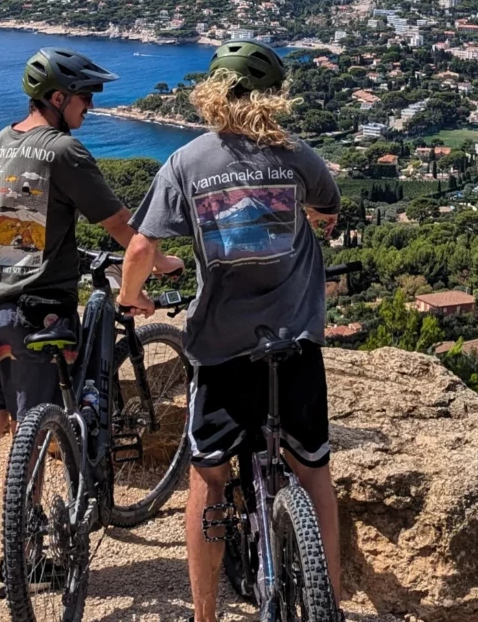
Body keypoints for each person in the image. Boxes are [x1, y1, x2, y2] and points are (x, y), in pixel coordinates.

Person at [0, 47, 184, 593]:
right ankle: (23, 562)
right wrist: (161, 262)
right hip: (36, 317)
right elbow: (120, 225)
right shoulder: (62, 151)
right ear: (56, 97)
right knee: (33, 430)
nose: (90, 105)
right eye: (84, 96)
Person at [116, 39, 342, 622]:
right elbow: (328, 208)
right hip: (294, 340)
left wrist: (131, 296)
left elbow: (140, 248)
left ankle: (205, 614)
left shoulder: (187, 161)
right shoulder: (296, 155)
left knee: (210, 478)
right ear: (274, 97)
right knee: (313, 471)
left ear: (214, 93)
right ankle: (331, 604)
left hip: (221, 348)